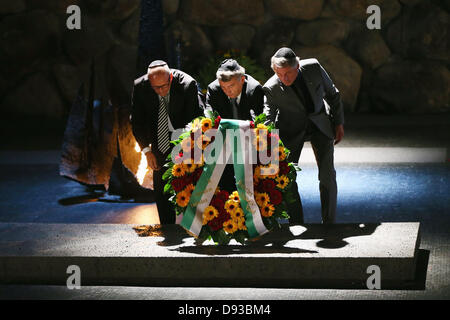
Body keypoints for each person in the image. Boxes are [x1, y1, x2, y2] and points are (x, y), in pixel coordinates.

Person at [262, 47, 345, 225]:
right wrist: (267, 145)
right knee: (286, 176)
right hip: (290, 130)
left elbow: (333, 94)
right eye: (280, 74)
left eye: (289, 73)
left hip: (320, 124)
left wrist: (339, 123)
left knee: (327, 175)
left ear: (298, 66)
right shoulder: (271, 87)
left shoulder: (314, 67)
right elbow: (268, 117)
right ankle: (296, 221)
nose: (284, 78)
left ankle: (329, 222)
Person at [131, 60, 203, 224]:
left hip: (185, 136)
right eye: (156, 88)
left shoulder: (187, 84)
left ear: (171, 77)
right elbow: (137, 122)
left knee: (189, 186)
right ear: (150, 83)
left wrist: (187, 149)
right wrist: (146, 151)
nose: (162, 91)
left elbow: (195, 120)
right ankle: (167, 227)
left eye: (165, 86)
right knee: (161, 185)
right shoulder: (140, 87)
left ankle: (195, 225)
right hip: (159, 139)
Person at [205, 59, 265, 192]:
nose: (227, 91)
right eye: (223, 87)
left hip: (250, 142)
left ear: (242, 79)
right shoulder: (214, 89)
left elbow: (261, 122)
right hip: (224, 141)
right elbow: (209, 117)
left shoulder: (254, 89)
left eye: (231, 86)